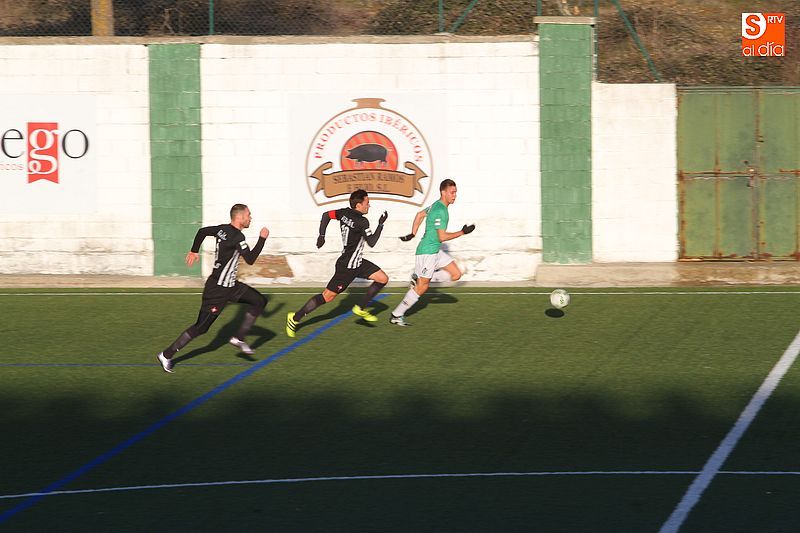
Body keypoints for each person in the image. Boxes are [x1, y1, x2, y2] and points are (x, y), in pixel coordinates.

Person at [157, 204, 270, 373]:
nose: (250, 218)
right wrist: (262, 239)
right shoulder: (238, 237)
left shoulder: (222, 229)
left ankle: (239, 338)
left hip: (231, 286)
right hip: (217, 291)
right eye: (248, 215)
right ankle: (166, 354)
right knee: (201, 328)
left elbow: (202, 231)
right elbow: (250, 259)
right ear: (239, 217)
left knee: (260, 301)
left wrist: (194, 250)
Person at [286, 189, 388, 337]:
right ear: (358, 205)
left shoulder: (343, 213)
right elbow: (372, 242)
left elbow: (326, 215)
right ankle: (295, 318)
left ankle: (360, 308)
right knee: (327, 297)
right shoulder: (362, 221)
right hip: (347, 267)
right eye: (367, 203)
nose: (369, 205)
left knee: (382, 278)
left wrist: (322, 235)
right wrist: (380, 224)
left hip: (357, 262)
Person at [389, 179, 475, 326]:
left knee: (456, 274)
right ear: (443, 192)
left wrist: (413, 233)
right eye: (452, 192)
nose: (455, 195)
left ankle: (419, 277)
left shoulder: (436, 205)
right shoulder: (441, 210)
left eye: (455, 192)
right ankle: (396, 315)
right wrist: (462, 232)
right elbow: (442, 237)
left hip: (435, 251)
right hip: (427, 252)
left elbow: (419, 215)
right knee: (422, 287)